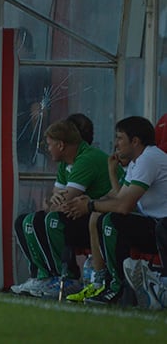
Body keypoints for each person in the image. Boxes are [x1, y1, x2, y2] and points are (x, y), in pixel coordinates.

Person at [64, 116, 167, 305]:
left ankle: (115, 287)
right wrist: (112, 172)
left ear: (135, 141)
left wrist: (89, 204)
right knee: (100, 216)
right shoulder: (138, 161)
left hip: (163, 228)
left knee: (110, 220)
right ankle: (100, 281)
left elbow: (123, 206)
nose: (116, 143)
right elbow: (122, 199)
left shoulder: (149, 159)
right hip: (157, 225)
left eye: (120, 138)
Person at [11, 118, 115, 298]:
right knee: (24, 221)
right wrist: (54, 201)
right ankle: (42, 276)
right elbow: (53, 201)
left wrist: (55, 202)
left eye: (49, 144)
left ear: (60, 145)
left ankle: (66, 278)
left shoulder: (86, 159)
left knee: (50, 220)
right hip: (82, 215)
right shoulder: (65, 163)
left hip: (103, 218)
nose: (47, 149)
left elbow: (62, 203)